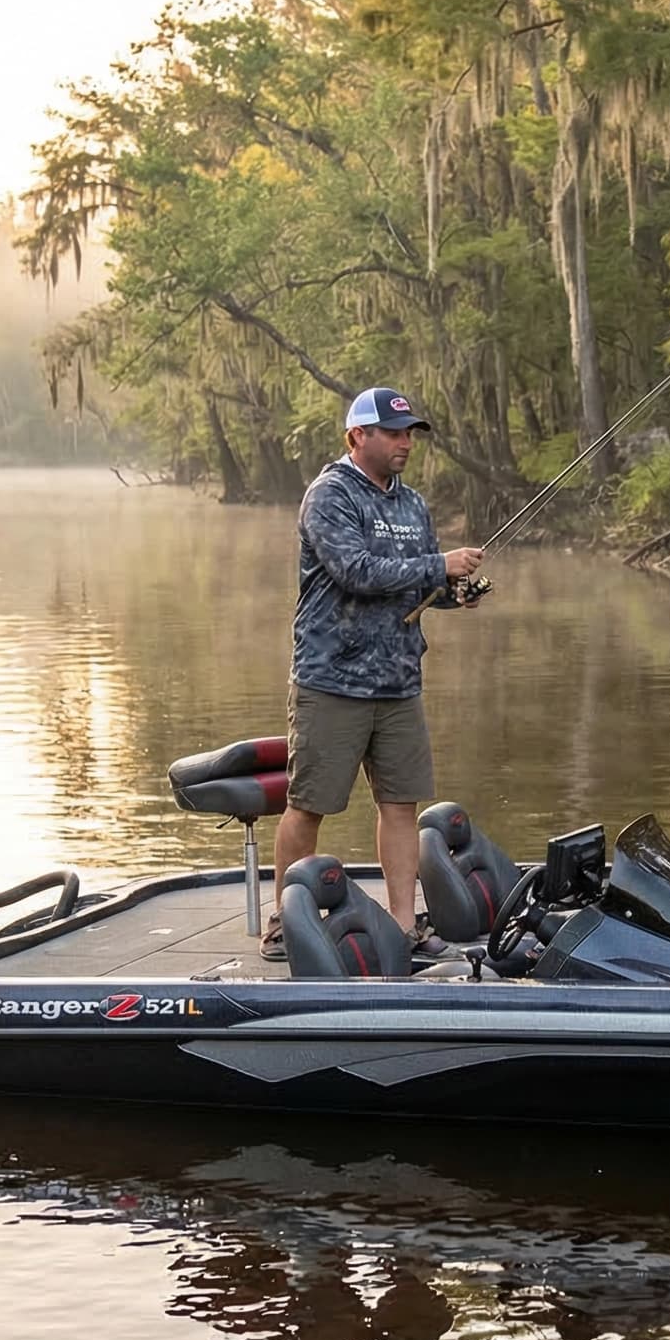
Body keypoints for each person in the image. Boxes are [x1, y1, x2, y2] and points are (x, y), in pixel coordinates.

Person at [272, 385, 486, 957]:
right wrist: (438, 564)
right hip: (331, 679)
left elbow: (419, 581)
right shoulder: (330, 496)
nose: (404, 443)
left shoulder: (412, 504)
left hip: (399, 681)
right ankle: (282, 922)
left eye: (409, 433)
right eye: (392, 433)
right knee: (309, 802)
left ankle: (401, 923)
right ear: (356, 436)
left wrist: (454, 591)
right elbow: (356, 571)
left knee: (401, 804)